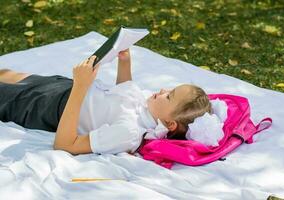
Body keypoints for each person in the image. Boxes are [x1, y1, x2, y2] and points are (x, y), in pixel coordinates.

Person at [0, 49, 211, 155]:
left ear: (169, 123)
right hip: (65, 88)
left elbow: (65, 144)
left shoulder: (129, 133)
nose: (164, 90)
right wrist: (125, 61)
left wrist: (81, 86)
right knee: (9, 75)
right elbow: (123, 93)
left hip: (48, 106)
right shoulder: (147, 106)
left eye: (170, 96)